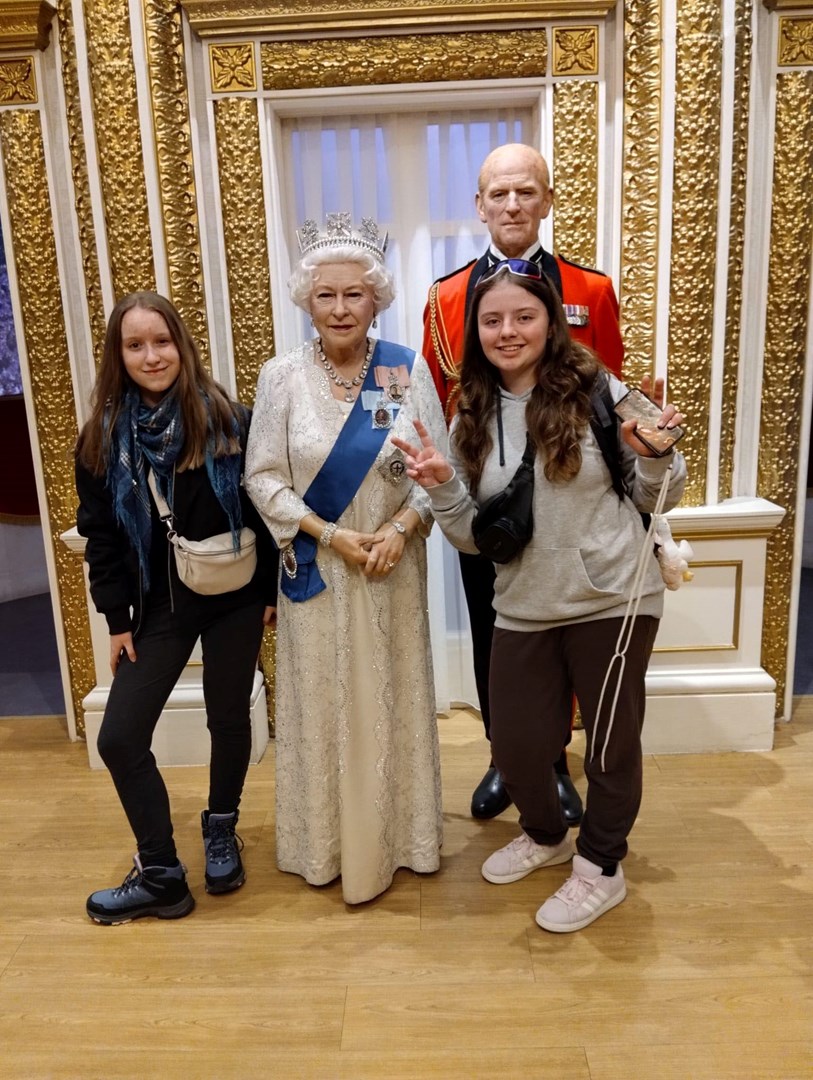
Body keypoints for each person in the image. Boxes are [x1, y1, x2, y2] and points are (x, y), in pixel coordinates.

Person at [396, 260, 686, 932]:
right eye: (492, 320)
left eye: (523, 316)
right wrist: (443, 486)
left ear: (549, 322)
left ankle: (601, 867)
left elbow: (660, 496)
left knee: (609, 745)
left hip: (612, 597)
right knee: (517, 746)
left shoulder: (602, 388)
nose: (507, 331)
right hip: (523, 601)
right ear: (474, 331)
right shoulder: (469, 414)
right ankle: (547, 834)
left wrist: (654, 456)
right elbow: (473, 539)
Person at [244, 214, 445, 905]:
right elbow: (262, 478)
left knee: (389, 702)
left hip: (389, 568)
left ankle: (402, 842)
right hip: (319, 571)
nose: (339, 308)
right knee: (325, 708)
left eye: (353, 294)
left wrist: (401, 528)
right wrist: (330, 535)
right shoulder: (281, 377)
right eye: (324, 294)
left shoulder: (399, 372)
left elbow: (435, 470)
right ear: (306, 299)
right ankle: (325, 846)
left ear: (376, 298)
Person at [422, 142, 625, 822]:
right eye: (499, 194)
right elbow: (436, 400)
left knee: (566, 630)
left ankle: (554, 760)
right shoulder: (447, 296)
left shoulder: (590, 290)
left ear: (547, 201)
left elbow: (610, 398)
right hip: (488, 495)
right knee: (492, 630)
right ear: (479, 205)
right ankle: (503, 756)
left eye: (525, 192)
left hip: (572, 497)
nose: (512, 205)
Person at [75, 291, 277, 925]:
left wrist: (271, 591)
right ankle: (161, 873)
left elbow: (266, 506)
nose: (151, 356)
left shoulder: (230, 420)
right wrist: (117, 621)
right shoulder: (101, 440)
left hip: (237, 595)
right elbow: (100, 536)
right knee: (119, 736)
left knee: (228, 716)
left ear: (181, 345)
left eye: (161, 341)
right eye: (135, 345)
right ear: (118, 356)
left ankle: (221, 828)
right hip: (158, 604)